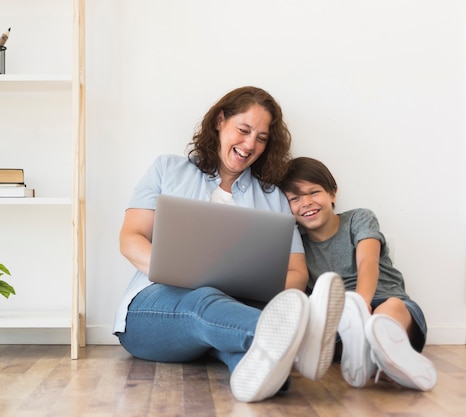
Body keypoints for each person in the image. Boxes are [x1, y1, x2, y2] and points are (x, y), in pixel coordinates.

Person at [113, 86, 345, 402]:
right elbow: (130, 239)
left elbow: (296, 271)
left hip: (233, 314)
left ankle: (258, 374)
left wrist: (251, 291)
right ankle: (305, 340)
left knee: (262, 366)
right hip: (154, 312)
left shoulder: (271, 196)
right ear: (221, 121)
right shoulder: (167, 169)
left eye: (262, 138)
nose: (250, 144)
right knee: (205, 298)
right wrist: (180, 273)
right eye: (244, 130)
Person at [280, 156, 437, 391]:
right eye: (295, 198)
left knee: (388, 311)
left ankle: (383, 350)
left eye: (314, 192)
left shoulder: (358, 218)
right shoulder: (297, 247)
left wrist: (362, 303)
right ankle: (380, 362)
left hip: (384, 302)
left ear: (333, 193)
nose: (306, 203)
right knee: (331, 334)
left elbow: (368, 261)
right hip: (342, 322)